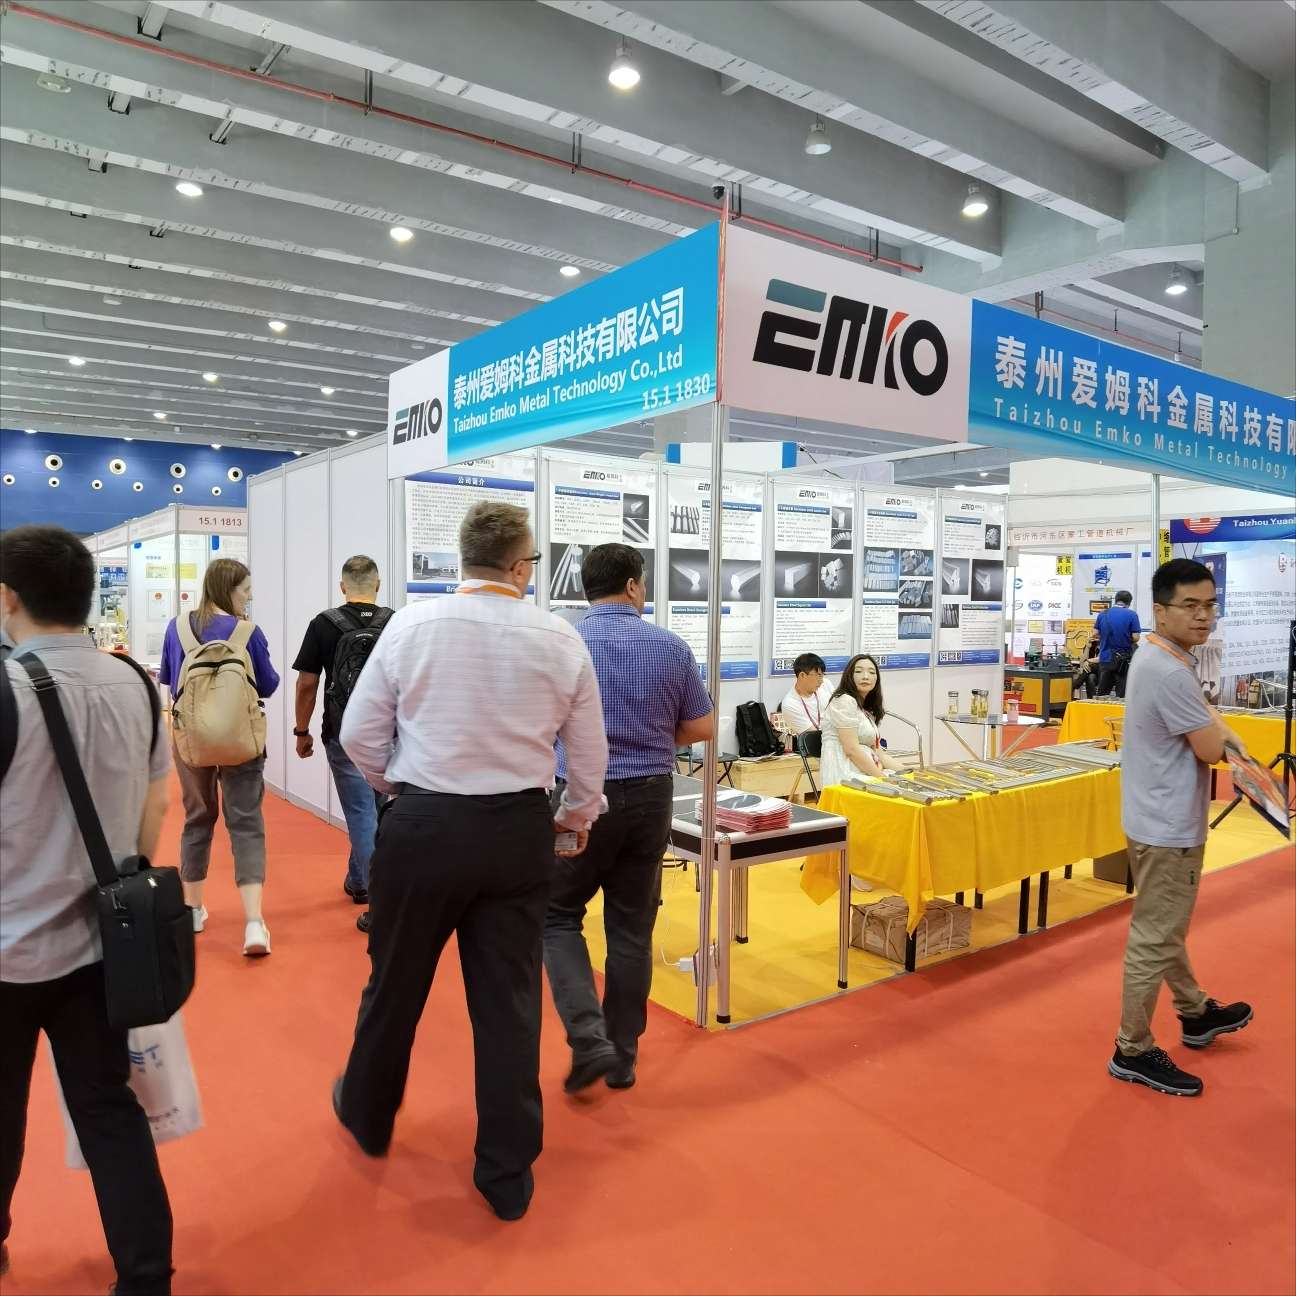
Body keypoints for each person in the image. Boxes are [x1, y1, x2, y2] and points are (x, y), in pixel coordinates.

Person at [332, 502, 607, 1222]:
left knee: (394, 982)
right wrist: (574, 819)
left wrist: (399, 790)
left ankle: (367, 1112)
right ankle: (507, 1172)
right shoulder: (560, 636)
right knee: (509, 1004)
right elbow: (589, 757)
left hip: (423, 826)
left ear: (465, 558)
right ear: (519, 566)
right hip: (518, 830)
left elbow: (359, 734)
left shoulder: (411, 626)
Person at [0, 526, 173, 1294]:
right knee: (109, 1110)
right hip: (103, 948)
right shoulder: (134, 683)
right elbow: (153, 810)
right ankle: (146, 1274)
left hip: (8, 950)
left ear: (8, 598)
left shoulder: (8, 689)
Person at [544, 544, 713, 1095]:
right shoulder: (670, 645)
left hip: (577, 799)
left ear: (585, 589)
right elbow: (703, 726)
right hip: (650, 799)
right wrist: (656, 739)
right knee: (632, 928)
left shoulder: (563, 643)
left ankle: (586, 1036)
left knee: (556, 916)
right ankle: (621, 1056)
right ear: (634, 586)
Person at [1108, 558, 1252, 1098]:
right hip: (1167, 826)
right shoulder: (1169, 670)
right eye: (1189, 605)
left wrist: (1219, 728)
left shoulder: (1161, 656)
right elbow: (1211, 748)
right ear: (1160, 610)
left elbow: (1206, 724)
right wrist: (1225, 737)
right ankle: (1132, 1049)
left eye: (1210, 604)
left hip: (1153, 816)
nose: (1203, 616)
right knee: (1154, 936)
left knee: (1162, 924)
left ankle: (1194, 1012)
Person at [158, 558, 279, 956]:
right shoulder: (248, 631)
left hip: (191, 740)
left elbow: (169, 679)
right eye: (246, 590)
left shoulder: (177, 627)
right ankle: (254, 923)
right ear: (229, 590)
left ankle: (193, 910)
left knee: (197, 818)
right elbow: (268, 684)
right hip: (241, 739)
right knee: (246, 824)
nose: (249, 597)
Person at [291, 554, 392, 935]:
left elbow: (307, 683)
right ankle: (358, 879)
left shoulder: (323, 623)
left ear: (343, 586)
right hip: (387, 734)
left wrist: (301, 731)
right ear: (377, 585)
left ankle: (378, 900)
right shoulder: (395, 622)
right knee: (378, 810)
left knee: (361, 813)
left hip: (342, 733)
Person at [819, 654, 906, 789]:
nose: (865, 676)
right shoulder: (844, 701)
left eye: (871, 672)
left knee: (908, 784)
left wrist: (908, 772)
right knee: (898, 792)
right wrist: (882, 778)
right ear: (849, 676)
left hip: (866, 771)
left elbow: (879, 753)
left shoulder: (864, 708)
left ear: (877, 678)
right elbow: (851, 750)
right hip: (845, 774)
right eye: (859, 671)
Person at [1095, 590, 1141, 698]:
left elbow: (1095, 633)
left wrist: (1106, 638)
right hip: (1123, 661)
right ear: (1129, 602)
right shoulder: (1132, 615)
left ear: (1115, 600)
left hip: (1105, 658)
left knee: (1102, 693)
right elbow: (1136, 637)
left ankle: (1100, 708)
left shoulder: (1103, 614)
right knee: (1121, 694)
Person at [777, 652, 834, 738]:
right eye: (819, 675)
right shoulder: (790, 704)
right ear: (802, 675)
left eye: (822, 675)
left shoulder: (826, 684)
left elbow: (839, 710)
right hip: (819, 742)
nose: (821, 681)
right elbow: (813, 737)